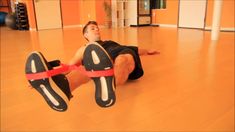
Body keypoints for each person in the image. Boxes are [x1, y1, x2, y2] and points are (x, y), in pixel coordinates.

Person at [25, 21, 159, 112]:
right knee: (90, 67)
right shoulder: (84, 50)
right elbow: (71, 65)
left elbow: (132, 48)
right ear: (85, 35)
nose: (97, 29)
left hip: (122, 57)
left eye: (97, 28)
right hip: (99, 66)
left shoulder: (110, 42)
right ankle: (64, 89)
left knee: (122, 59)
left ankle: (108, 81)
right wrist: (47, 75)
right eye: (92, 28)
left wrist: (147, 51)